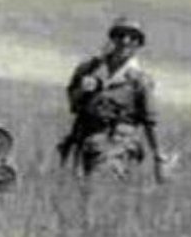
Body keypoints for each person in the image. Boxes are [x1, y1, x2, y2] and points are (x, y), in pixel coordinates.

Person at [59, 17, 170, 182]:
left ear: (138, 45)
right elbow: (74, 106)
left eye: (132, 38)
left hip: (118, 145)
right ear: (112, 38)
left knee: (101, 187)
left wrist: (159, 157)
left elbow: (150, 121)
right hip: (84, 142)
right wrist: (82, 91)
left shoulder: (140, 80)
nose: (125, 41)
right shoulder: (88, 69)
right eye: (120, 35)